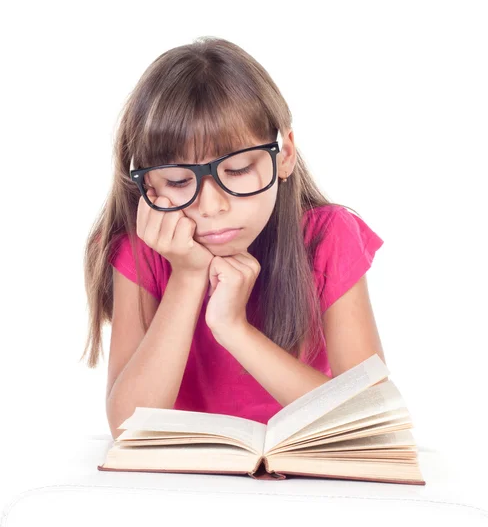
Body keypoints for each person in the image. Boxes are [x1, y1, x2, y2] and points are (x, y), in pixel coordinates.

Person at [81, 36, 387, 441]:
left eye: (239, 170)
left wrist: (233, 328)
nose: (211, 205)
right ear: (148, 185)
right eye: (177, 180)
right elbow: (128, 427)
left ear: (285, 155)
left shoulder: (329, 239)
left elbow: (371, 423)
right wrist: (188, 276)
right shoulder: (141, 253)